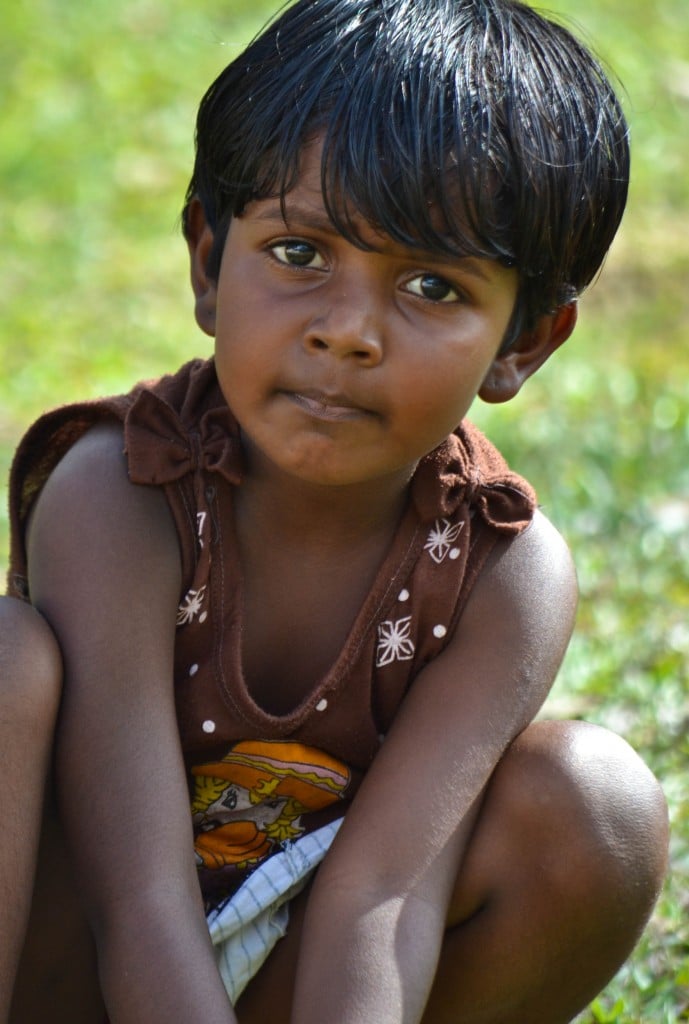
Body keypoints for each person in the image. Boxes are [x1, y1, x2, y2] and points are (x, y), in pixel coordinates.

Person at [1, 0, 669, 1021]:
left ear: (523, 342)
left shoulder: (499, 573)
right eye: (299, 254)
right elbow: (133, 900)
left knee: (591, 805)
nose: (348, 331)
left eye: (431, 285)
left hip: (290, 967)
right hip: (60, 960)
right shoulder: (120, 494)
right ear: (207, 260)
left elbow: (379, 905)